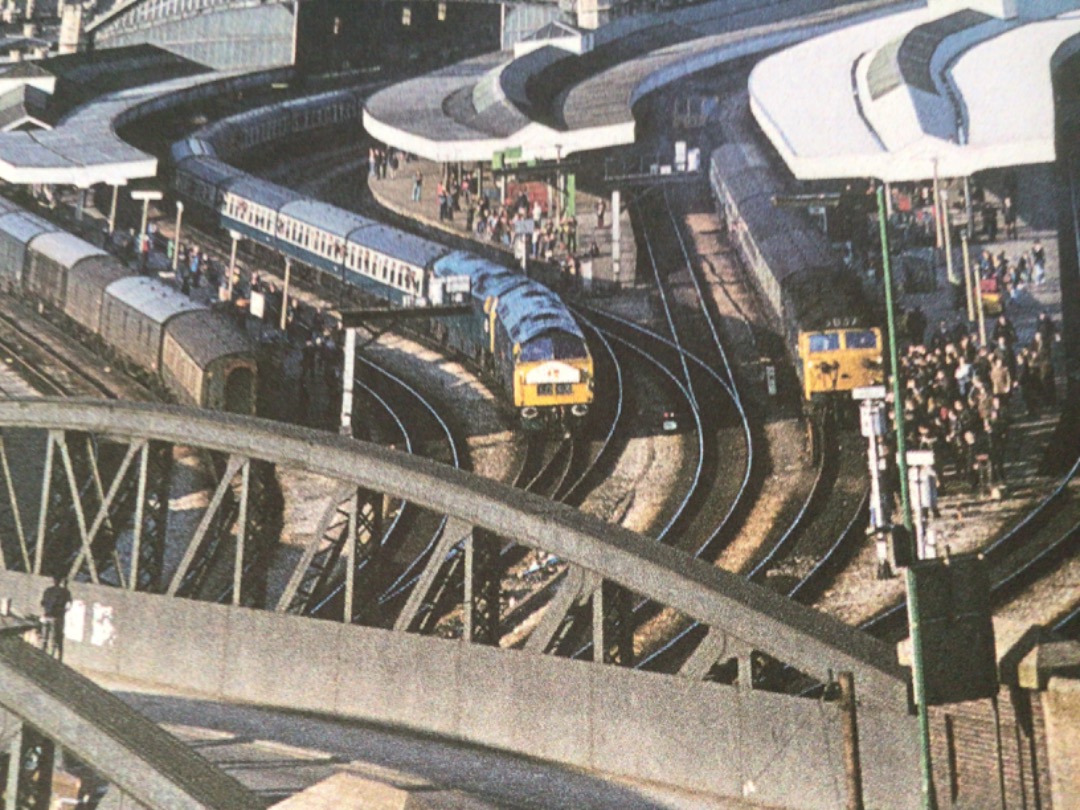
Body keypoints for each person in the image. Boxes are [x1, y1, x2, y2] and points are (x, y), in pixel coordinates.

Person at [40, 576, 72, 660]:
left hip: (47, 615)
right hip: (58, 617)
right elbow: (69, 605)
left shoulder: (48, 590)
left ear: (53, 581)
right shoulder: (66, 592)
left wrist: (48, 608)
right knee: (57, 637)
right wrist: (63, 611)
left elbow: (42, 603)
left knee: (45, 637)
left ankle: (43, 653)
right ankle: (56, 657)